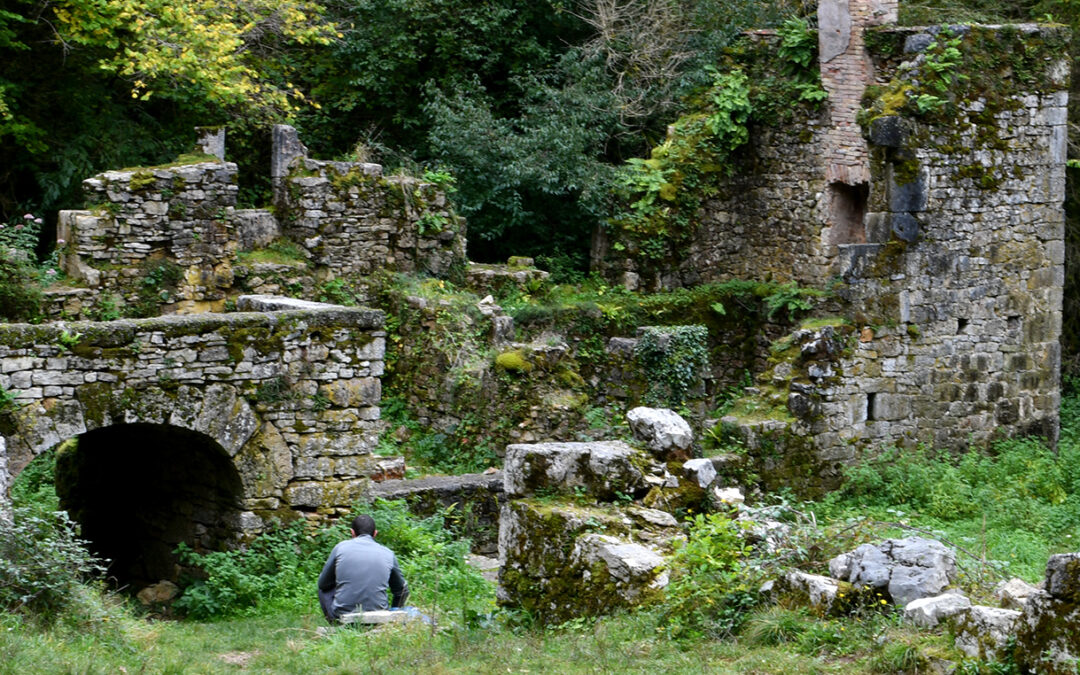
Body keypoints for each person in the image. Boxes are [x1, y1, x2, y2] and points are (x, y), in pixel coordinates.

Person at [317, 514, 409, 623]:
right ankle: (391, 618)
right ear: (375, 533)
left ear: (352, 532)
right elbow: (402, 591)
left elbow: (323, 584)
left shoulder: (340, 548)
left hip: (343, 613)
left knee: (323, 590)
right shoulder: (388, 553)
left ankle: (336, 623)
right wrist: (395, 610)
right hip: (379, 613)